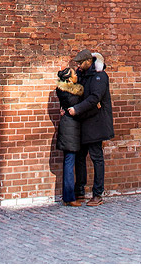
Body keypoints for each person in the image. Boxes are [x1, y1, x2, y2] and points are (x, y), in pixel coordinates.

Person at [66, 48, 114, 207]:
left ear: (88, 62)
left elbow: (94, 98)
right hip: (83, 122)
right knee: (80, 158)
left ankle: (97, 194)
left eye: (80, 63)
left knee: (96, 158)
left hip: (96, 124)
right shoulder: (83, 75)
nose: (78, 66)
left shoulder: (100, 76)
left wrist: (77, 109)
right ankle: (80, 191)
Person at [54, 66, 83, 206]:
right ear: (70, 79)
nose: (77, 75)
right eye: (74, 74)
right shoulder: (73, 96)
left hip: (67, 128)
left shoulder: (62, 92)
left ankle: (69, 196)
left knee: (69, 161)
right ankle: (69, 197)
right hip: (70, 130)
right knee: (69, 162)